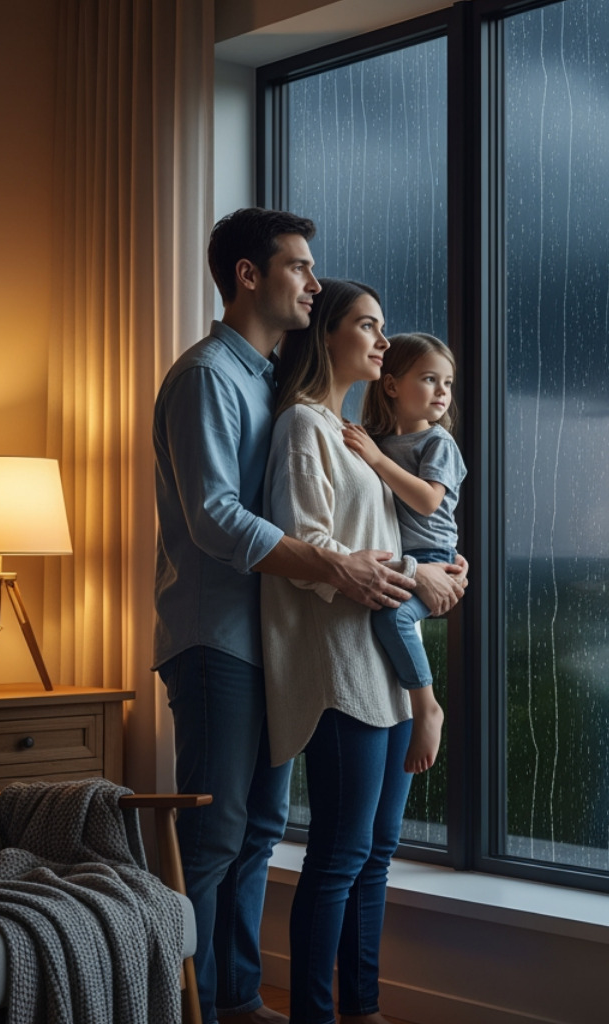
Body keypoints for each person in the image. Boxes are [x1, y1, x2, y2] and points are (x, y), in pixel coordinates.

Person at [152, 209, 466, 1024]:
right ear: (249, 275)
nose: (314, 281)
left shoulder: (272, 386)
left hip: (270, 639)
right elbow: (217, 516)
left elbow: (358, 523)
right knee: (219, 837)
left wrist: (422, 565)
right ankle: (193, 1003)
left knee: (257, 830)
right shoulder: (208, 378)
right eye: (298, 266)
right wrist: (343, 565)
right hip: (216, 638)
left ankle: (240, 997)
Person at [261, 279, 440, 1024]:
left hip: (387, 675)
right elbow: (314, 551)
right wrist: (414, 574)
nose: (380, 339)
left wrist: (428, 579)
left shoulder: (348, 437)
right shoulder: (303, 428)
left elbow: (383, 549)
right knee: (338, 858)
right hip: (339, 674)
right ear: (327, 335)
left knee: (375, 856)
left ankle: (360, 1009)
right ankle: (315, 1013)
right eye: (365, 325)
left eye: (382, 325)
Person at [342, 332, 466, 773]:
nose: (442, 393)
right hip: (402, 552)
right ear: (391, 385)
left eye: (447, 384)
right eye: (430, 379)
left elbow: (429, 501)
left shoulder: (437, 443)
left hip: (430, 552)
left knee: (392, 616)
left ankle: (427, 707)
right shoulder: (377, 440)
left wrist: (376, 459)